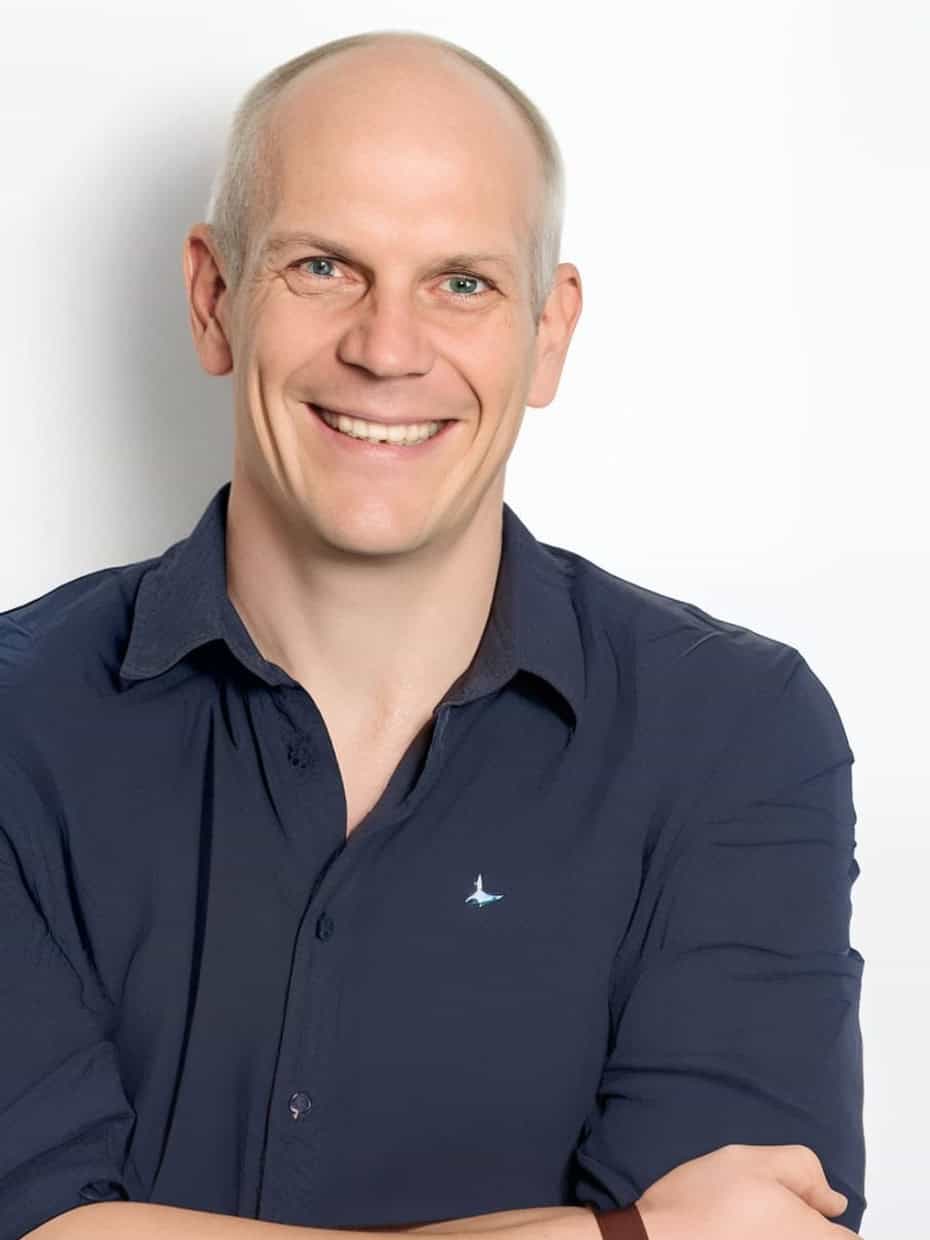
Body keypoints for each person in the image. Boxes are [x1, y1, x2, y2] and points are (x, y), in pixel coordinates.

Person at [0, 28, 866, 1240]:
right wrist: (620, 1234)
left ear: (548, 333)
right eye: (322, 267)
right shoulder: (13, 724)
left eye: (462, 281)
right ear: (212, 299)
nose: (387, 348)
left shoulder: (734, 734)